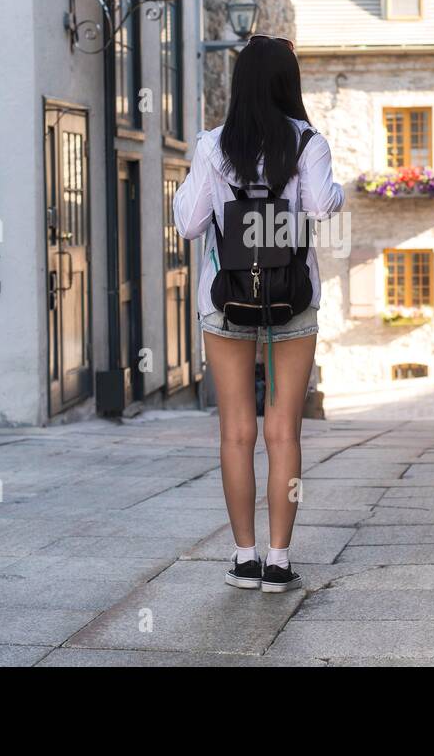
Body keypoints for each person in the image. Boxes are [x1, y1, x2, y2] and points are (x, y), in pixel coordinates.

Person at [173, 35, 344, 593]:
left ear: (240, 84)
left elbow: (190, 224)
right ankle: (278, 560)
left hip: (226, 300)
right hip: (291, 300)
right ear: (288, 83)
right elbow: (321, 206)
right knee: (282, 431)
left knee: (236, 431)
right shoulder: (308, 142)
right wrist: (332, 190)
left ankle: (242, 558)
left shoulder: (213, 145)